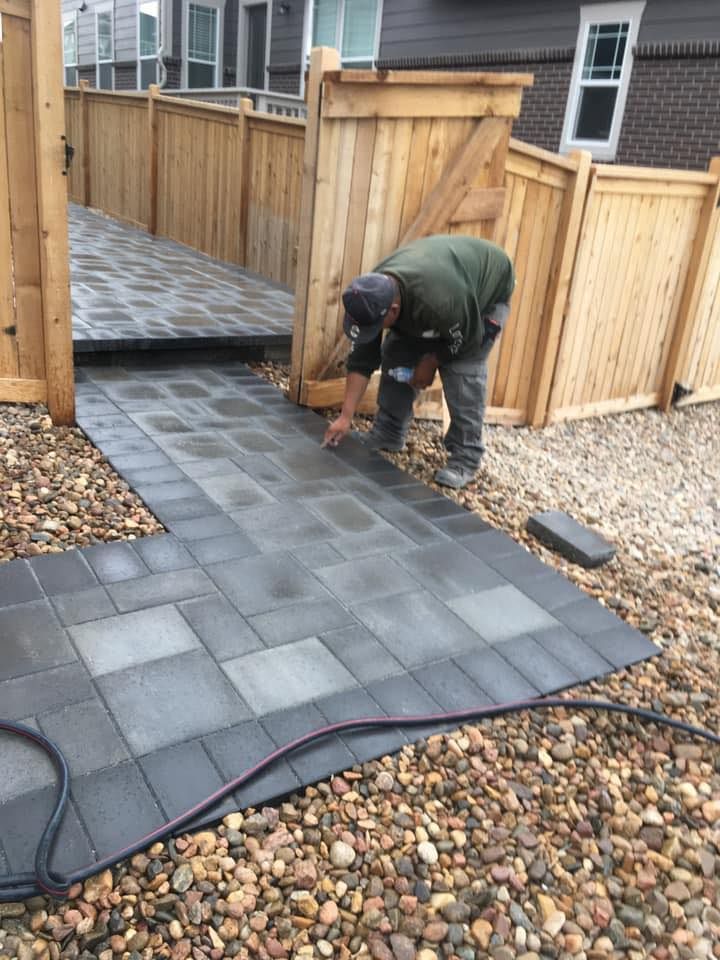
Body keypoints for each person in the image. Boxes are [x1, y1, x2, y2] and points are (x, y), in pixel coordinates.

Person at [322, 234, 515, 490]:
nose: (372, 330)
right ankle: (389, 432)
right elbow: (362, 358)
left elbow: (467, 340)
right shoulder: (372, 293)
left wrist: (433, 360)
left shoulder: (441, 300)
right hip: (441, 291)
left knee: (462, 371)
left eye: (376, 325)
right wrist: (345, 416)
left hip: (484, 297)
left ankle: (466, 457)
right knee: (397, 351)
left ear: (392, 311)